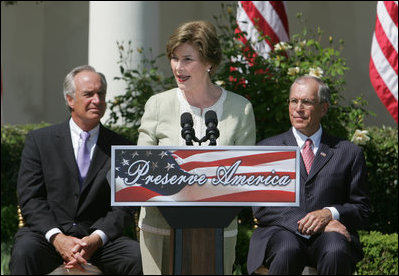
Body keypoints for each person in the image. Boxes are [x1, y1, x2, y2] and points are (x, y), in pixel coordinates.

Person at [137, 20, 256, 274]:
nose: (178, 67)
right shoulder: (157, 105)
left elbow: (248, 174)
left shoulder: (240, 108)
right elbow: (140, 167)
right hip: (160, 228)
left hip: (218, 231)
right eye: (174, 58)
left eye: (188, 59)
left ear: (209, 62)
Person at [9, 65, 142, 275]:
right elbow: (30, 198)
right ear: (70, 99)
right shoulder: (40, 141)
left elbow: (124, 207)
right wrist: (57, 238)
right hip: (49, 237)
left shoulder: (121, 147)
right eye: (88, 94)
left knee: (136, 256)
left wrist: (96, 239)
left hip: (99, 241)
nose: (97, 100)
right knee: (25, 251)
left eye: (101, 94)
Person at [246, 75, 371, 275]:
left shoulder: (348, 152)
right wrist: (313, 222)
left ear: (324, 108)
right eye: (294, 101)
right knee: (287, 250)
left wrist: (330, 213)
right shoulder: (268, 149)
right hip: (281, 233)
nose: (298, 108)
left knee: (336, 250)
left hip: (330, 237)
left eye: (306, 102)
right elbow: (262, 207)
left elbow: (362, 210)